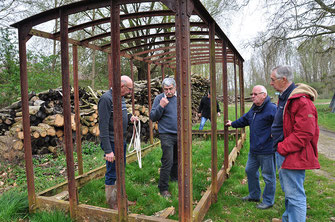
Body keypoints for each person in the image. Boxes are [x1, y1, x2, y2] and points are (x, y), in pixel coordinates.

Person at [270, 65, 320, 222]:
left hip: (292, 154)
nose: (271, 83)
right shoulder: (285, 96)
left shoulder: (301, 101)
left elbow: (305, 133)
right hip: (284, 152)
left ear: (283, 80)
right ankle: (288, 218)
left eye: (273, 80)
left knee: (295, 195)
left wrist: (282, 148)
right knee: (288, 191)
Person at [226, 85, 277, 209]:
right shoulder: (254, 109)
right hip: (254, 149)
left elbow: (281, 124)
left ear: (264, 95)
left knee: (268, 177)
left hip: (267, 150)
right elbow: (244, 120)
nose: (252, 96)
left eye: (255, 94)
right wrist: (232, 123)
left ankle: (268, 201)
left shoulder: (272, 109)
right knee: (249, 170)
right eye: (252, 94)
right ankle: (254, 195)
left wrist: (275, 133)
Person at [98, 75, 137, 210]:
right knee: (112, 172)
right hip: (112, 143)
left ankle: (121, 198)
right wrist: (108, 150)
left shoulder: (120, 98)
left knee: (121, 170)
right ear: (122, 86)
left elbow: (119, 115)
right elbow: (102, 126)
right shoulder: (106, 99)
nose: (130, 92)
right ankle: (112, 202)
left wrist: (130, 117)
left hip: (121, 141)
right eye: (129, 89)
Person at [149, 77, 178, 198]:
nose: (168, 92)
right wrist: (161, 106)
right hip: (166, 134)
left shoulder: (180, 98)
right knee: (168, 161)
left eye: (170, 89)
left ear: (175, 87)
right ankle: (163, 188)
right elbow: (152, 117)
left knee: (177, 158)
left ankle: (175, 179)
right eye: (166, 89)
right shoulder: (159, 98)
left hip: (180, 133)